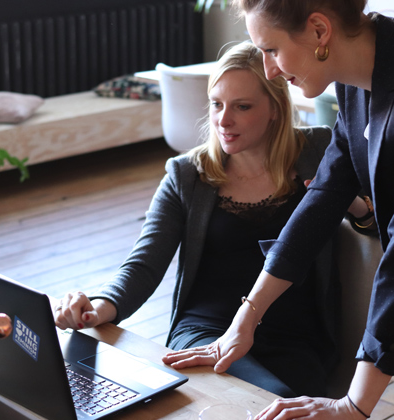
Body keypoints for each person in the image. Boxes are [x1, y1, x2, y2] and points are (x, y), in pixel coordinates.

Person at [54, 41, 366, 398]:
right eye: (216, 104)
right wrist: (97, 308)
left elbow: (373, 224)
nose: (223, 120)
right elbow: (144, 264)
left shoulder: (319, 151)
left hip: (296, 338)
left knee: (276, 400)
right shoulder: (187, 174)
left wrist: (350, 204)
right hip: (205, 331)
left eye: (242, 106)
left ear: (275, 109)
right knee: (261, 398)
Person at [162, 1, 393, 419]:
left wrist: (354, 406)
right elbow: (322, 198)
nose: (268, 70)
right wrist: (244, 320)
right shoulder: (356, 83)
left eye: (270, 50)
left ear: (320, 31)